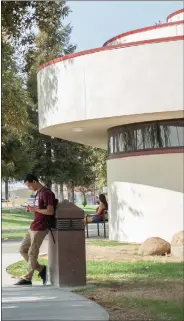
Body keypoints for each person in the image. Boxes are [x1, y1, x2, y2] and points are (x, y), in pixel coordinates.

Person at [15, 174, 55, 286]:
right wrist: (31, 209)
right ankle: (42, 269)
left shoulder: (46, 193)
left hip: (41, 227)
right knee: (23, 249)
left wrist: (35, 209)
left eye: (29, 185)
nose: (29, 188)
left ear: (34, 181)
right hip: (33, 226)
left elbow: (50, 211)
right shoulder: (37, 193)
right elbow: (38, 209)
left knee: (32, 252)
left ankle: (27, 278)